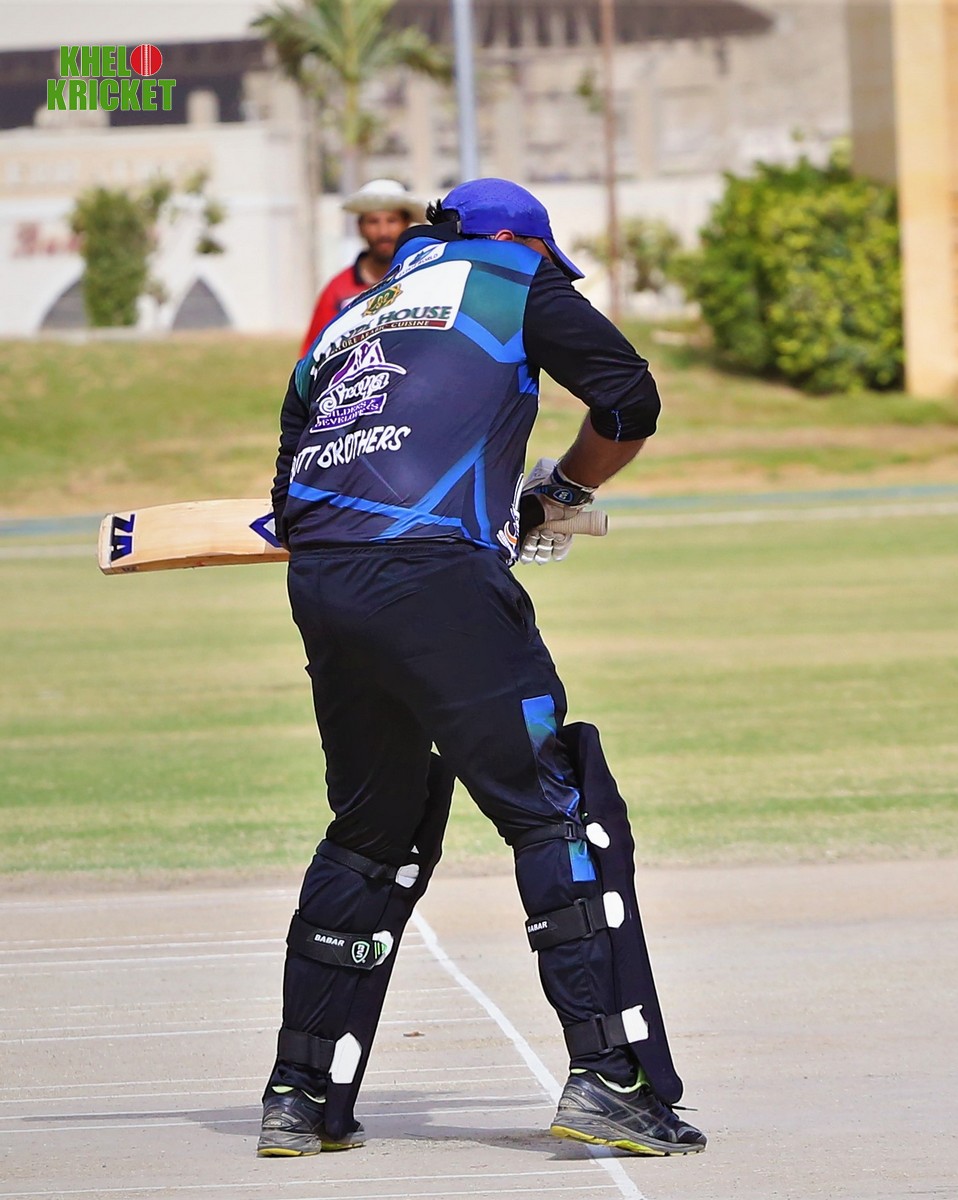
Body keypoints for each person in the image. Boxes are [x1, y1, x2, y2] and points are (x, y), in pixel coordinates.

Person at [258, 178, 705, 1159]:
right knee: (552, 809)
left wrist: (476, 512)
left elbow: (291, 479)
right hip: (434, 578)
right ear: (521, 242)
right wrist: (563, 489)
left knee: (371, 833)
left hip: (325, 580)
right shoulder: (509, 274)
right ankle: (609, 1079)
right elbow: (628, 401)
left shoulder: (351, 315)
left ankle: (298, 1097)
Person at [300, 179, 429, 353]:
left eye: (392, 221)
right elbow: (313, 354)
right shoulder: (338, 290)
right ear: (360, 227)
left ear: (406, 225)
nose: (383, 232)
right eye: (373, 222)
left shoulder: (422, 281)